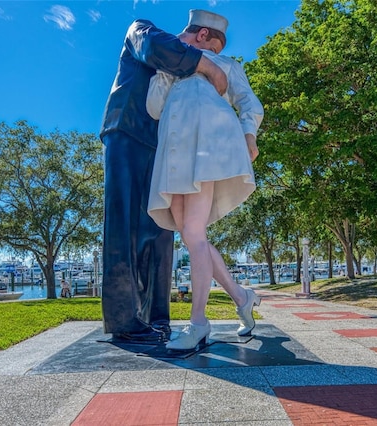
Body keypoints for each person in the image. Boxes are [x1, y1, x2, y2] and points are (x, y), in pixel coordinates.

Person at [99, 13, 228, 342]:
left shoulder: (185, 68)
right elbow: (155, 46)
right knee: (124, 224)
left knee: (162, 229)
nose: (209, 59)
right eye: (209, 50)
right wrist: (207, 66)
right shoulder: (142, 29)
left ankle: (158, 316)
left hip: (162, 146)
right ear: (200, 36)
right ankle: (124, 318)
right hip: (126, 131)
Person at [146, 10, 264, 351]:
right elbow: (155, 107)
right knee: (191, 234)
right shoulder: (172, 66)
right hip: (176, 153)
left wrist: (249, 136)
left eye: (184, 35)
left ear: (200, 37)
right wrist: (164, 72)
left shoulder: (226, 64)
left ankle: (198, 321)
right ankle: (242, 297)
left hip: (208, 149)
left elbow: (249, 103)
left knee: (194, 233)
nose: (177, 39)